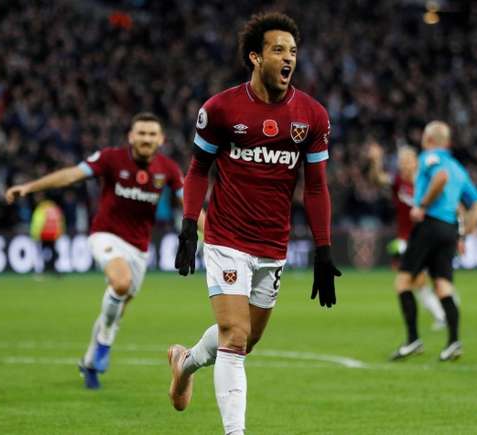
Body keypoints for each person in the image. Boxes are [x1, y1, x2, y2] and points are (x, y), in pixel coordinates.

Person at [167, 12, 340, 435]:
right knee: (235, 336)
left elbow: (316, 188)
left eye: (293, 51)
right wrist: (190, 225)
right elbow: (197, 170)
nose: (288, 58)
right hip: (226, 238)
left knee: (247, 339)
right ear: (255, 57)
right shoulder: (221, 109)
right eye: (278, 50)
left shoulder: (311, 116)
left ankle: (184, 363)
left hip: (272, 245)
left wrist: (323, 249)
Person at [5, 112, 184, 389]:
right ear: (131, 136)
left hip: (139, 249)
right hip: (105, 235)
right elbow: (71, 175)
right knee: (120, 282)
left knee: (118, 307)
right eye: (141, 133)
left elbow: (191, 206)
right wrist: (30, 187)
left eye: (151, 134)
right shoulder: (111, 158)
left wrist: (212, 236)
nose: (146, 138)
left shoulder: (169, 169)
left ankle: (90, 361)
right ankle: (102, 347)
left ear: (160, 139)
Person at [390, 121, 477, 362]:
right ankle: (453, 342)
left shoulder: (430, 158)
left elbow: (440, 178)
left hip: (430, 225)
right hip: (449, 230)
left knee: (402, 282)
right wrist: (463, 234)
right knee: (443, 286)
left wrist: (422, 206)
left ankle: (413, 340)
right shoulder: (458, 168)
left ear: (428, 139)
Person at [366, 142, 446, 330]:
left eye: (407, 161)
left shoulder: (425, 182)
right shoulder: (397, 181)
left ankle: (444, 309)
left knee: (423, 278)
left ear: (416, 162)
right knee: (414, 278)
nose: (404, 164)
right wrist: (376, 161)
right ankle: (442, 313)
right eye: (401, 161)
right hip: (406, 238)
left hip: (428, 235)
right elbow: (376, 179)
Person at [29, 196, 65, 279]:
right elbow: (60, 221)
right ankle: (54, 270)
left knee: (42, 253)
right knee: (53, 252)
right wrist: (60, 232)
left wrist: (34, 234)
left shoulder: (41, 209)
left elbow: (38, 222)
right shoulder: (55, 209)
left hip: (43, 234)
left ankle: (43, 270)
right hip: (53, 234)